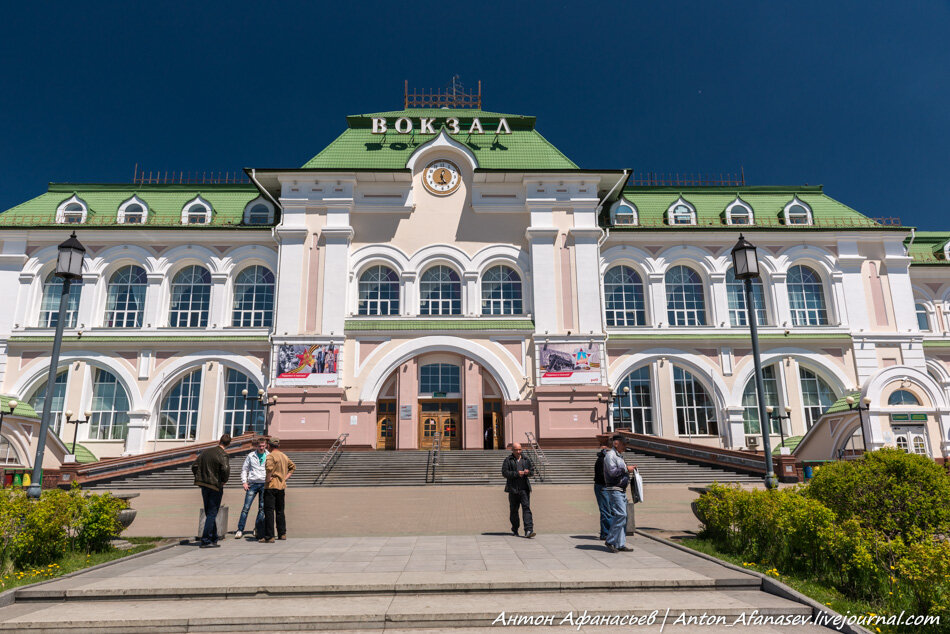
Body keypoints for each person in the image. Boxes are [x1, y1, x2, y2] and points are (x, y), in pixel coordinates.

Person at [192, 434, 231, 548]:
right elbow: (225, 469)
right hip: (215, 486)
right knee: (212, 513)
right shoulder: (223, 454)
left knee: (209, 512)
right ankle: (205, 540)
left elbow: (194, 466)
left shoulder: (206, 452)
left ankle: (214, 537)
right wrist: (223, 480)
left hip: (204, 485)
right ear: (228, 444)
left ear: (219, 441)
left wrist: (200, 477)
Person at [603, 435, 636, 553]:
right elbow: (612, 472)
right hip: (614, 489)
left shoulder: (619, 456)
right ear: (616, 443)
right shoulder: (610, 455)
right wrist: (627, 469)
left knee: (624, 517)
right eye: (623, 443)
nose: (625, 446)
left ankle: (620, 544)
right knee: (621, 515)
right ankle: (610, 540)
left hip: (621, 490)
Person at [261, 437, 296, 543]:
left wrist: (267, 479)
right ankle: (282, 533)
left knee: (269, 511)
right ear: (278, 445)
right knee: (280, 511)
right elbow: (292, 467)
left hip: (271, 486)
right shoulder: (284, 456)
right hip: (281, 486)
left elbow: (269, 469)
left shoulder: (270, 456)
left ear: (269, 445)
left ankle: (269, 536)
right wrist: (285, 478)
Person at [235, 436, 269, 539]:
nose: (261, 448)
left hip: (264, 484)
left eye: (263, 446)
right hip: (252, 484)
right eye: (259, 446)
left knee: (262, 508)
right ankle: (240, 529)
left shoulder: (269, 455)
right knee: (246, 508)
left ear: (266, 445)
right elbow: (244, 469)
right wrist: (244, 482)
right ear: (256, 446)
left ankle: (257, 528)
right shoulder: (251, 456)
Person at [502, 443, 535, 538]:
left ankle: (529, 530)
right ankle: (515, 529)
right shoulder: (508, 460)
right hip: (513, 490)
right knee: (514, 511)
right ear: (512, 450)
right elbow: (504, 473)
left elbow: (532, 471)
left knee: (526, 509)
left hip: (524, 489)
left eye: (520, 449)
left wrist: (528, 472)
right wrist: (516, 474)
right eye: (516, 450)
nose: (518, 452)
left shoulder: (526, 459)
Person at [593, 444, 611, 541]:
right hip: (602, 487)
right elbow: (602, 475)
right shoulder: (602, 460)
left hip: (606, 487)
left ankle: (606, 532)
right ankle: (606, 533)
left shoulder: (606, 459)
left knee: (607, 510)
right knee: (606, 511)